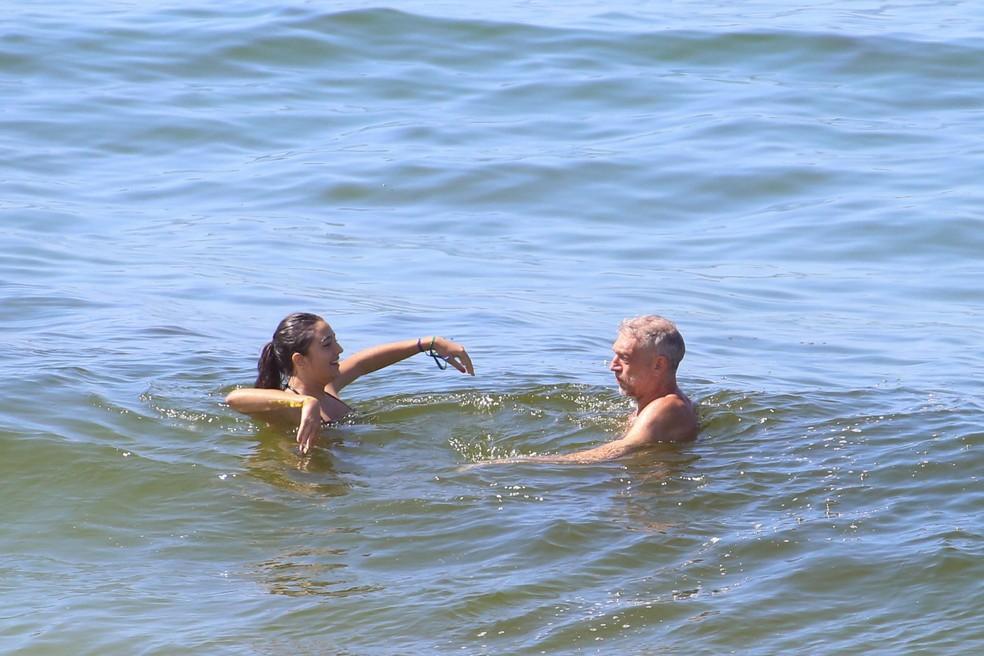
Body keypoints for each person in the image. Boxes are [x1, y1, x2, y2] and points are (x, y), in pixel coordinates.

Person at [226, 312, 474, 454]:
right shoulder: (285, 408)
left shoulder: (327, 388)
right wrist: (303, 402)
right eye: (327, 345)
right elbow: (235, 399)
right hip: (312, 491)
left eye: (335, 341)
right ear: (300, 360)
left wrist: (427, 343)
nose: (339, 349)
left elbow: (365, 362)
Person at [478, 315, 697, 465]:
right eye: (615, 355)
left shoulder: (667, 407)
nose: (613, 365)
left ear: (659, 365)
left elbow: (616, 451)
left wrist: (519, 464)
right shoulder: (656, 405)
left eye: (625, 358)